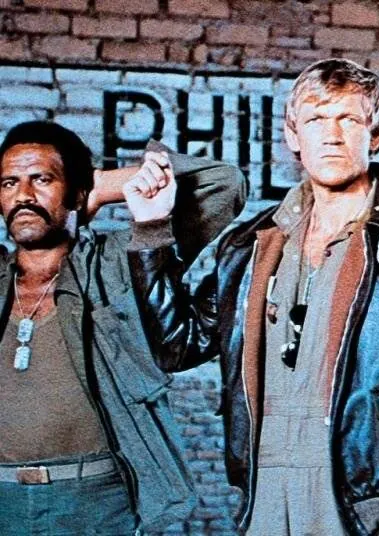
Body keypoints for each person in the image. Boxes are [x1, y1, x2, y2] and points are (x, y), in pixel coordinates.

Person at [125, 59, 379, 535]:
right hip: (266, 494)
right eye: (316, 119)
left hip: (375, 503)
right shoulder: (251, 244)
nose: (332, 135)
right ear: (293, 136)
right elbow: (177, 346)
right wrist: (151, 231)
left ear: (375, 135)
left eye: (349, 119)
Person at [0, 121, 245, 535]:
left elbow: (223, 183)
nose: (23, 195)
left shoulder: (116, 263)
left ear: (76, 192)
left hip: (95, 499)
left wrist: (96, 187)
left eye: (42, 179)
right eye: (9, 183)